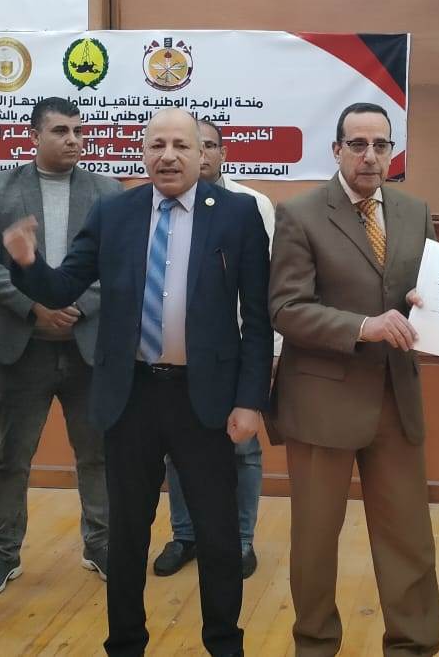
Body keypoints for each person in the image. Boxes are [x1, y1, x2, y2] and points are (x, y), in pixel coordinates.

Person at [3, 107, 272, 657]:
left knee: (219, 535)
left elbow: (257, 316)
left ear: (202, 153)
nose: (168, 156)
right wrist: (28, 263)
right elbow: (63, 287)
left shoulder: (237, 213)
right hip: (132, 396)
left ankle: (224, 644)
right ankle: (125, 644)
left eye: (181, 145)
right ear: (142, 152)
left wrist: (250, 400)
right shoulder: (115, 212)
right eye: (156, 145)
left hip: (206, 398)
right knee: (127, 536)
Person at [268, 102, 439, 656]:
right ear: (337, 150)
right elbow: (286, 309)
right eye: (358, 144)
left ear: (393, 152)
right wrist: (363, 327)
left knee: (409, 539)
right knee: (315, 543)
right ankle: (315, 645)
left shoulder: (415, 211)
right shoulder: (300, 214)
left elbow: (432, 291)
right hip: (322, 402)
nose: (370, 156)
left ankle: (413, 647)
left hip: (396, 398)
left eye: (381, 145)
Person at [0, 96, 122, 598]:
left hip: (87, 347)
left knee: (96, 454)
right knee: (12, 456)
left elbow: (120, 262)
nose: (73, 140)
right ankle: (3, 552)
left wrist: (79, 305)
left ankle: (101, 544)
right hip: (22, 346)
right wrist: (33, 306)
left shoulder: (107, 190)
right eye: (60, 131)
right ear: (34, 136)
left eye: (79, 131)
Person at [152, 118, 276, 580]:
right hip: (178, 359)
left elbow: (264, 291)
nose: (199, 154)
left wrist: (268, 356)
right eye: (193, 145)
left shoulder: (250, 205)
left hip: (236, 353)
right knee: (175, 450)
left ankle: (241, 539)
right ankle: (185, 535)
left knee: (242, 449)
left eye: (207, 146)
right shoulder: (159, 206)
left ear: (222, 154)